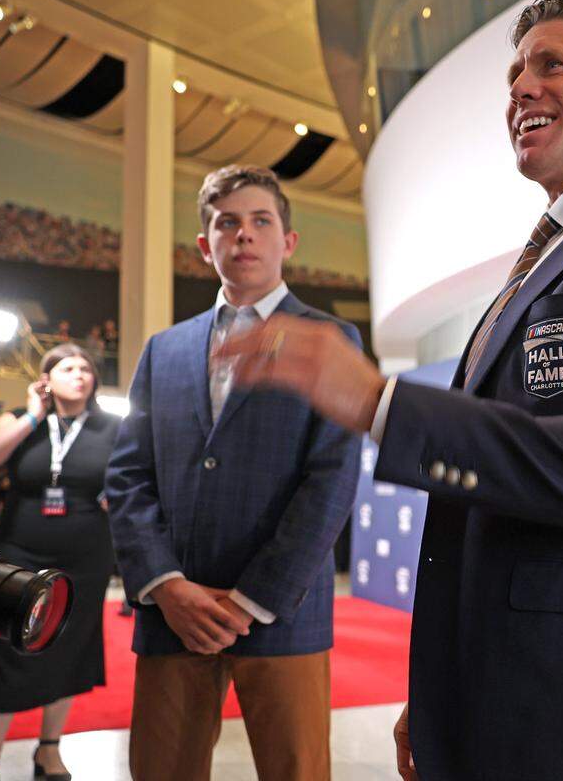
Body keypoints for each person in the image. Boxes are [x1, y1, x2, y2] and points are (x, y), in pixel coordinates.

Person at [217, 0, 563, 781]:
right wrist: (440, 690)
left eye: (551, 65)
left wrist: (380, 405)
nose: (520, 89)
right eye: (515, 73)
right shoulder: (538, 263)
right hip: (496, 693)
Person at [104, 165, 362, 781]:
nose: (243, 235)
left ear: (287, 242)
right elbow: (127, 475)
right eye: (227, 223)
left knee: (296, 770)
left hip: (282, 609)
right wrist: (165, 584)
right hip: (175, 611)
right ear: (205, 244)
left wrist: (253, 599)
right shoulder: (162, 350)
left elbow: (331, 481)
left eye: (260, 221)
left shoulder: (330, 339)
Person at [0, 344, 119, 780]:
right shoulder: (20, 419)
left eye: (86, 367)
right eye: (67, 367)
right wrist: (33, 414)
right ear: (46, 378)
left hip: (86, 555)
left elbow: (133, 480)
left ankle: (49, 750)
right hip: (20, 552)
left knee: (69, 648)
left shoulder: (112, 427)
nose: (80, 374)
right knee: (8, 645)